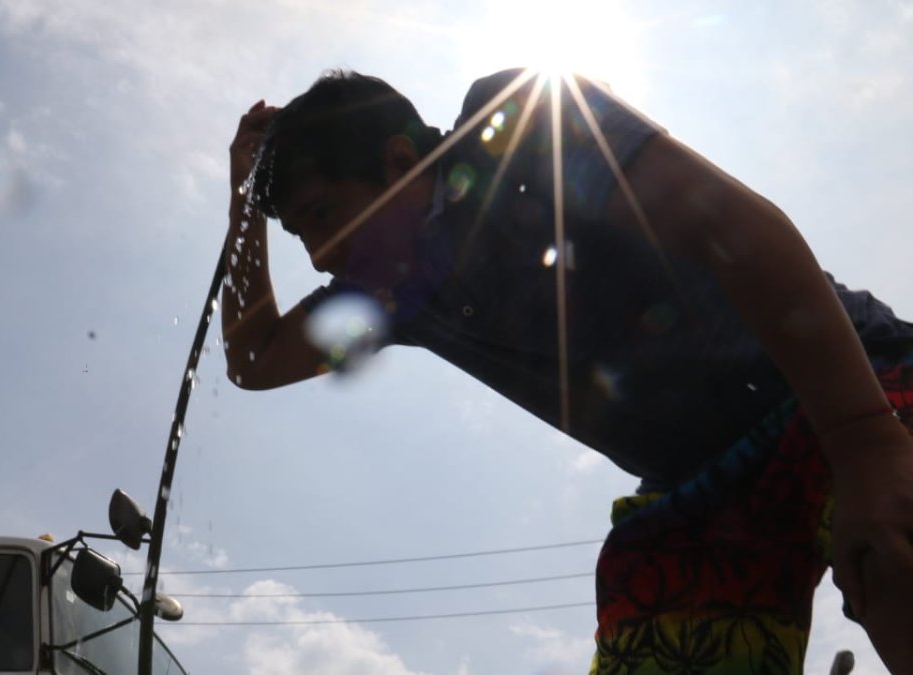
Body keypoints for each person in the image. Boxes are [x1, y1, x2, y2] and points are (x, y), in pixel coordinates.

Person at [221, 67, 913, 673]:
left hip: (833, 380)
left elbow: (726, 227)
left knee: (893, 560)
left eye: (321, 215)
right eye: (300, 232)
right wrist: (243, 200)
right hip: (699, 487)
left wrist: (865, 442)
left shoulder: (517, 124)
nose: (317, 256)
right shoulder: (390, 294)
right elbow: (253, 358)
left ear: (399, 160)